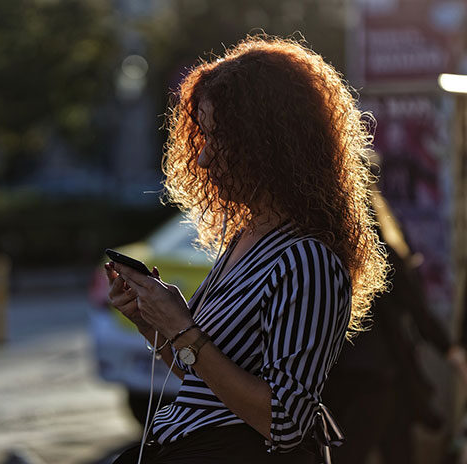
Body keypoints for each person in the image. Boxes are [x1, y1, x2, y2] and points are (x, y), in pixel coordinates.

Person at [106, 36, 388, 463]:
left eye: (216, 139)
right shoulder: (248, 237)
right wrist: (155, 323)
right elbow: (209, 380)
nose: (201, 160)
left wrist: (183, 328)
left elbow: (285, 422)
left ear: (267, 144)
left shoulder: (306, 259)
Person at [323, 190, 467, 464]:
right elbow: (418, 310)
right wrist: (452, 352)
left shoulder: (322, 253)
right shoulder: (381, 254)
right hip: (380, 378)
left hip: (357, 379)